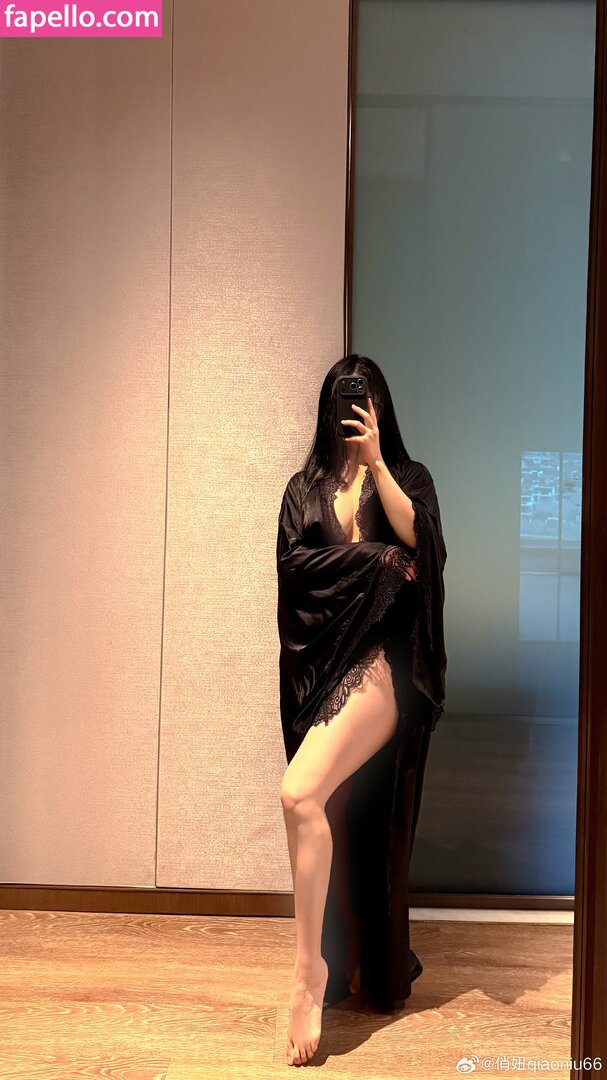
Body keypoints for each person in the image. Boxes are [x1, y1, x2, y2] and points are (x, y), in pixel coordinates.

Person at [276, 353, 447, 1066]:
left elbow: (422, 545)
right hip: (320, 672)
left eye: (365, 397)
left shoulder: (406, 476)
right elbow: (294, 571)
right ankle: (336, 953)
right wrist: (374, 562)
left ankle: (305, 974)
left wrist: (376, 462)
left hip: (379, 668)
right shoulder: (304, 488)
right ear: (326, 408)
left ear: (381, 407)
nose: (353, 410)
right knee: (321, 809)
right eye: (343, 399)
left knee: (298, 793)